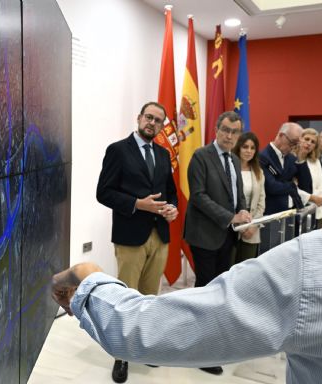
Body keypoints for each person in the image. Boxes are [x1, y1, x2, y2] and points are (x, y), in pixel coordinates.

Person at [53, 61, 322, 383]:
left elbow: (151, 326)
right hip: (148, 232)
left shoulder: (321, 267)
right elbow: (186, 196)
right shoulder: (155, 153)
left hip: (186, 235)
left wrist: (87, 277)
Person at [95, 101, 178, 383]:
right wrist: (136, 204)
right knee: (126, 298)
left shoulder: (164, 154)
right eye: (149, 118)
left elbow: (170, 191)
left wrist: (173, 208)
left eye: (158, 120)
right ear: (139, 118)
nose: (152, 123)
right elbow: (103, 193)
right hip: (130, 236)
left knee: (149, 299)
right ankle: (121, 355)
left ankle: (142, 347)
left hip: (160, 236)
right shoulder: (118, 150)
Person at [182, 111, 251, 375]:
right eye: (226, 130)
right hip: (205, 235)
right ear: (216, 129)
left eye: (235, 132)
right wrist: (230, 217)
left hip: (227, 235)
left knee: (221, 289)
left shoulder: (234, 159)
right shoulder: (201, 156)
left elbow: (238, 195)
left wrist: (243, 217)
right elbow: (198, 197)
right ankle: (199, 350)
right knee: (206, 290)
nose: (230, 136)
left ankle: (211, 339)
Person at [232, 131, 265, 262]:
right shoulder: (230, 169)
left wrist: (253, 226)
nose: (249, 151)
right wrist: (239, 226)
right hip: (232, 228)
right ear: (238, 147)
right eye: (245, 147)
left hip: (252, 230)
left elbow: (261, 203)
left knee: (246, 270)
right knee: (228, 270)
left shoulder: (259, 172)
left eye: (252, 148)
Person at [258, 123, 304, 215]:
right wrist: (291, 185)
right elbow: (272, 187)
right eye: (292, 142)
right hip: (271, 213)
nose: (293, 146)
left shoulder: (291, 158)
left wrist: (301, 156)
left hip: (290, 211)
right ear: (281, 135)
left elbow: (304, 182)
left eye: (297, 144)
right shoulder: (263, 157)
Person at [293, 128, 322, 223]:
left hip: (315, 208)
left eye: (313, 142)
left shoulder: (315, 161)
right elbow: (292, 186)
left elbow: (320, 184)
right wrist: (311, 198)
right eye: (306, 139)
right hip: (297, 206)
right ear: (300, 139)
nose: (309, 143)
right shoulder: (291, 158)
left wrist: (317, 201)